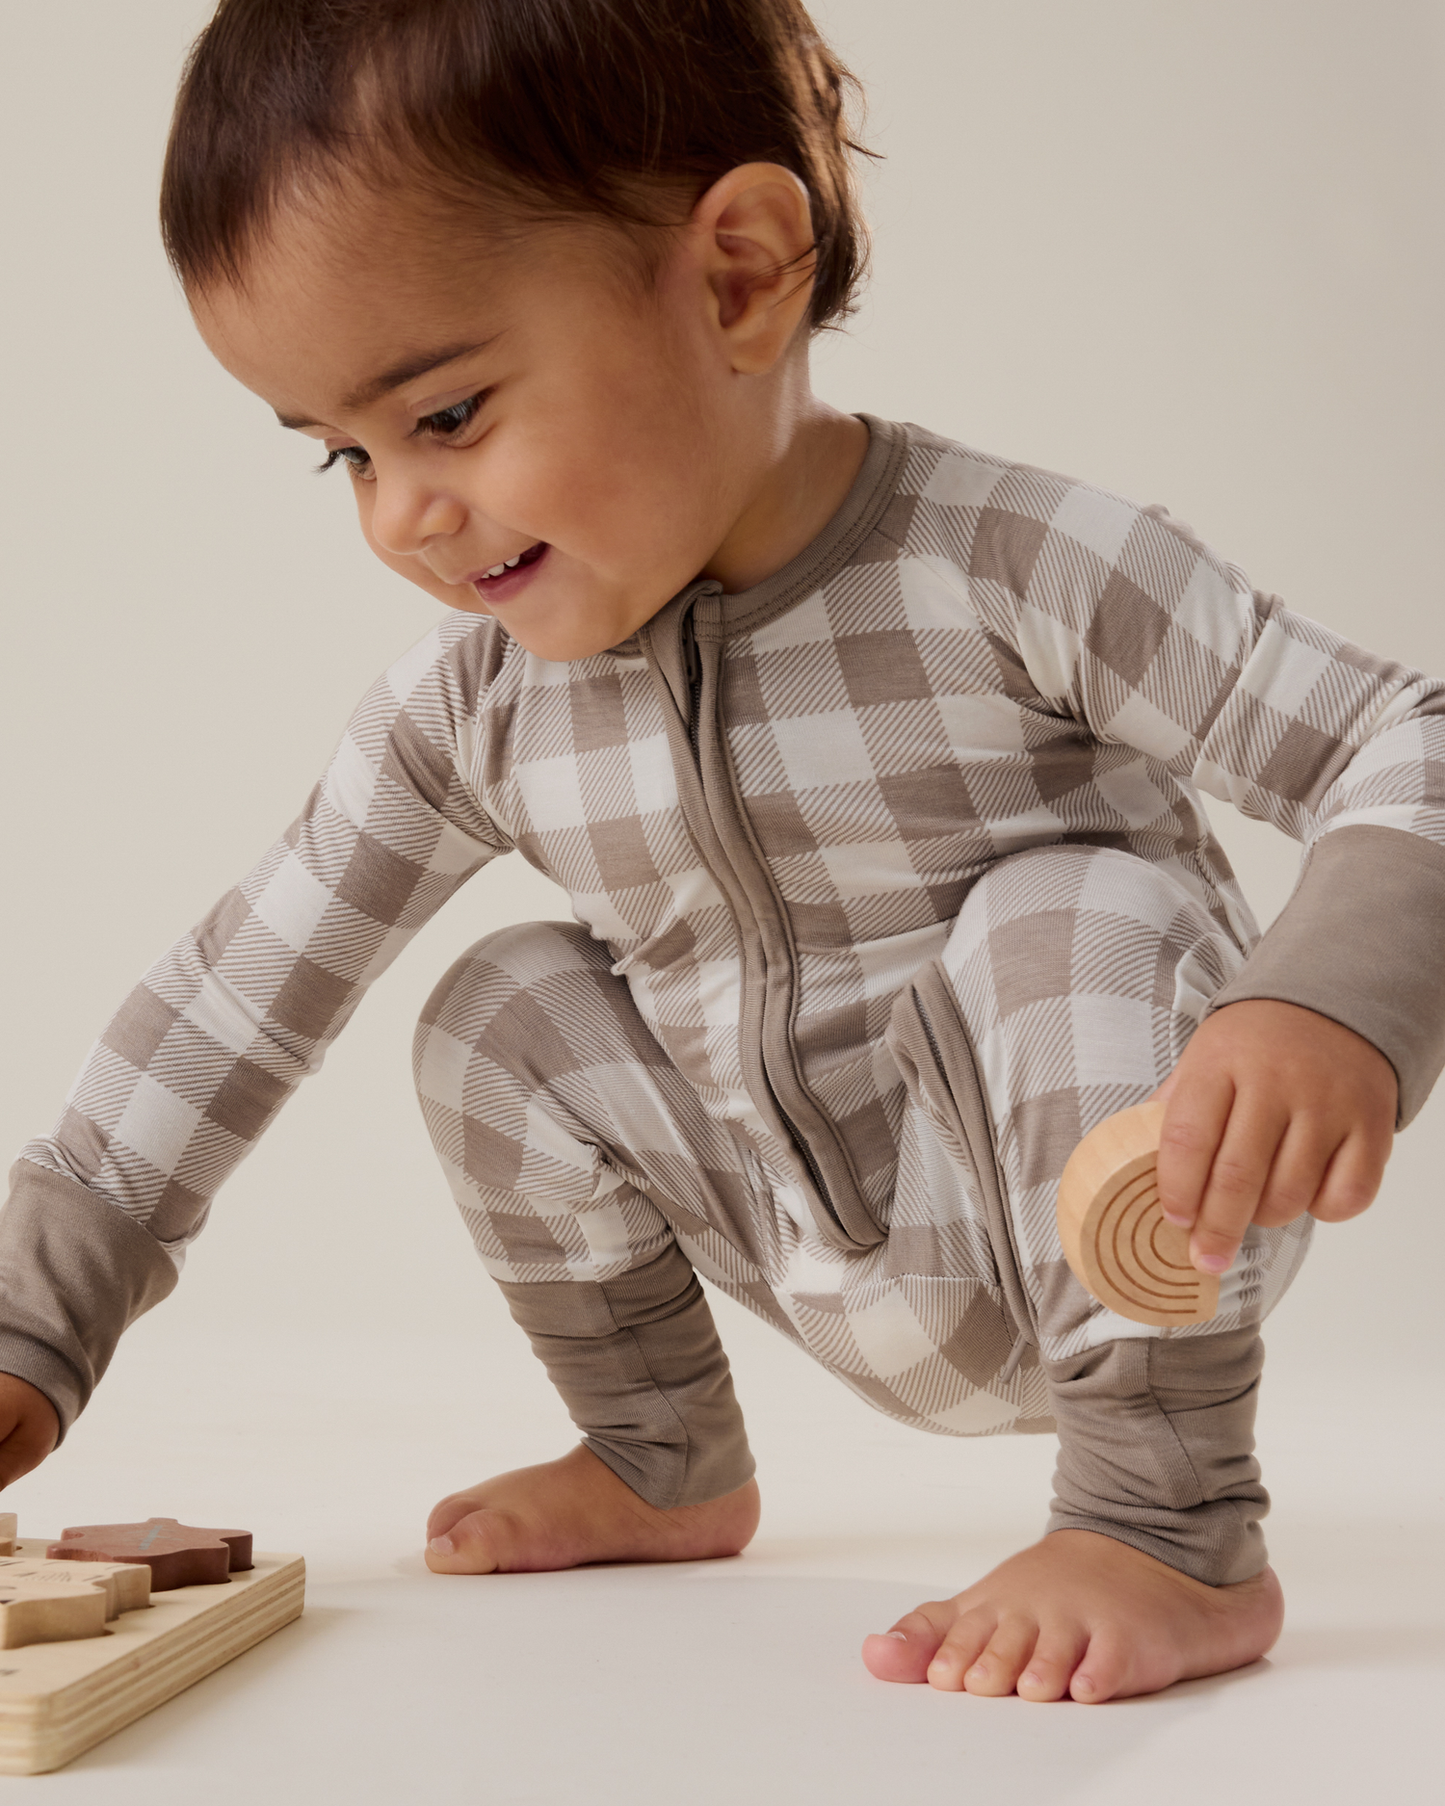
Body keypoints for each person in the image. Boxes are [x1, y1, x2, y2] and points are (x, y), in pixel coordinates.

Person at [0, 0, 1434, 1705]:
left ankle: (1165, 1515)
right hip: (820, 1245)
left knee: (1073, 912)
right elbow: (234, 999)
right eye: (345, 454)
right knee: (498, 1008)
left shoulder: (1017, 565)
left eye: (446, 414)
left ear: (742, 276)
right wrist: (34, 1329)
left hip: (1134, 1212)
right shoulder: (478, 712)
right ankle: (661, 1452)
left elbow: (1401, 736)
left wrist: (1326, 1002)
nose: (398, 516)